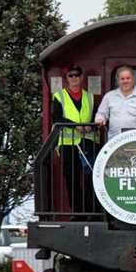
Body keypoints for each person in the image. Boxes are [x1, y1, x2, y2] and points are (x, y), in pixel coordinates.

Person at [52, 65, 98, 216]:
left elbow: (96, 117)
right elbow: (57, 118)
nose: (74, 78)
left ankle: (92, 211)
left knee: (91, 178)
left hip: (89, 142)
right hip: (68, 145)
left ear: (81, 77)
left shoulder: (89, 96)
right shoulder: (59, 96)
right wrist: (76, 126)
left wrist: (91, 127)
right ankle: (77, 212)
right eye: (70, 76)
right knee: (72, 180)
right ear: (66, 79)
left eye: (77, 75)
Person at [95, 65, 136, 138]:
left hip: (135, 140)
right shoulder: (109, 96)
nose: (125, 81)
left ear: (133, 79)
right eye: (122, 79)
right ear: (118, 80)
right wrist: (100, 119)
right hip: (114, 140)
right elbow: (101, 113)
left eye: (128, 78)